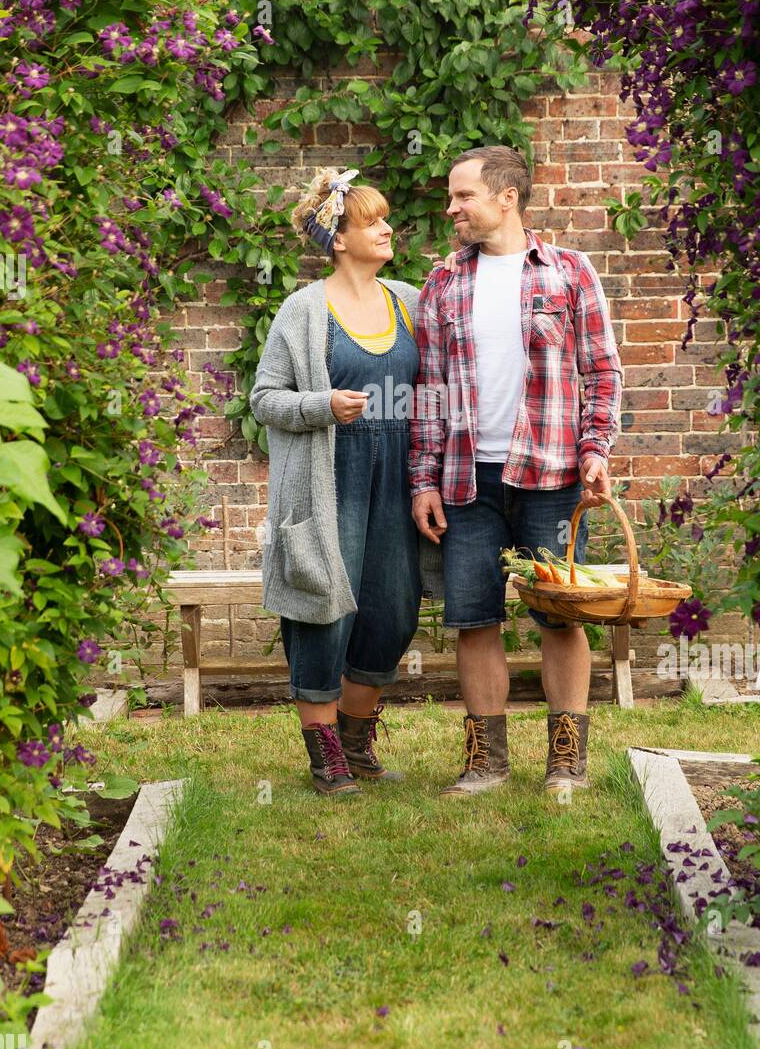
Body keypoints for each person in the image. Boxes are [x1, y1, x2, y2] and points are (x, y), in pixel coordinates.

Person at [410, 145, 623, 797]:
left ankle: (567, 763)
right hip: (467, 480)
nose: (452, 209)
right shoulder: (443, 285)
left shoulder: (569, 273)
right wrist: (422, 479)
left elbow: (602, 371)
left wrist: (595, 449)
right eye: (451, 197)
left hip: (553, 477)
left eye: (463, 196)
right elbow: (428, 392)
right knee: (473, 620)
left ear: (506, 198)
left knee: (561, 617)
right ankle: (485, 763)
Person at [250, 167, 441, 796]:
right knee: (322, 608)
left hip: (397, 480)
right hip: (330, 481)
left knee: (393, 609)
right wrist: (321, 406)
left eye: (385, 219)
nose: (387, 229)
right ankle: (325, 754)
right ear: (339, 239)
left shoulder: (409, 301)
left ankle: (358, 742)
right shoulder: (302, 311)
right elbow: (265, 399)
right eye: (373, 222)